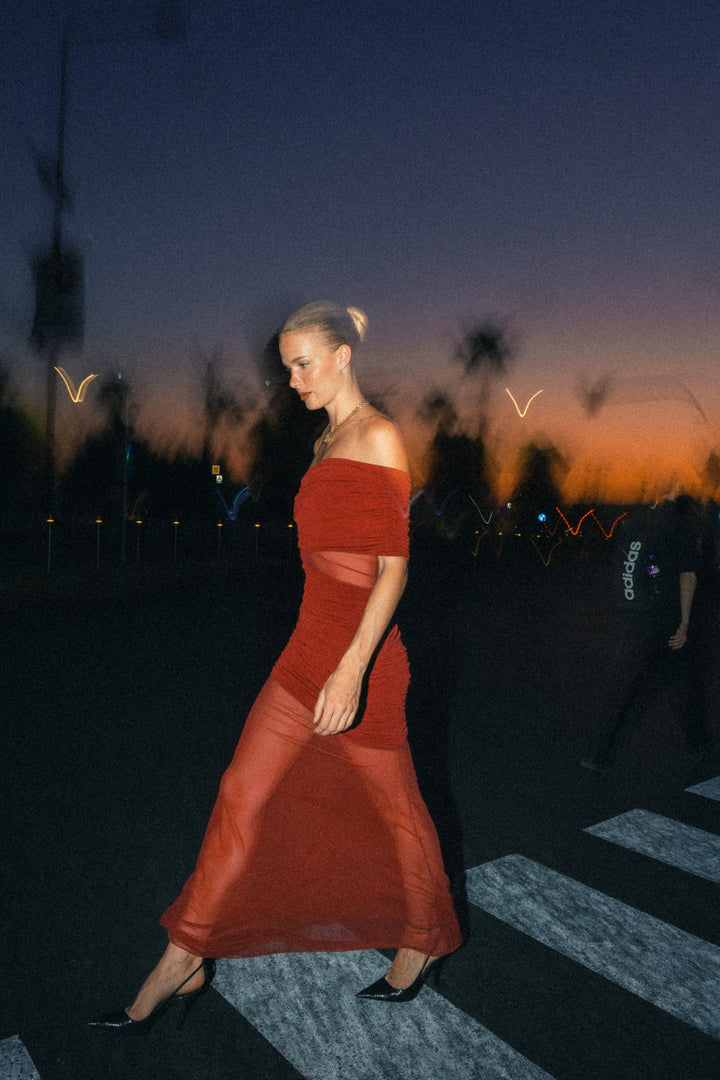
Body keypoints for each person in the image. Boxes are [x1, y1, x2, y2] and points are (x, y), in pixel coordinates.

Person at [89, 302, 462, 1035]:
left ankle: (423, 941)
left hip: (365, 659)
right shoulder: (325, 444)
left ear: (343, 354)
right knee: (239, 793)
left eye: (303, 362)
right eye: (286, 365)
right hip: (302, 652)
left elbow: (392, 570)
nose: (291, 379)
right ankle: (183, 958)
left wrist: (353, 668)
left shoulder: (378, 436)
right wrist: (324, 659)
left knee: (396, 808)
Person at [580, 486, 709, 772]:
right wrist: (685, 623)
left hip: (634, 615)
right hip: (663, 617)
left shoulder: (637, 521)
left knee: (620, 685)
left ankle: (595, 753)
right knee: (683, 683)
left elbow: (623, 564)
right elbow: (688, 577)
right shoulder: (681, 524)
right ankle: (698, 747)